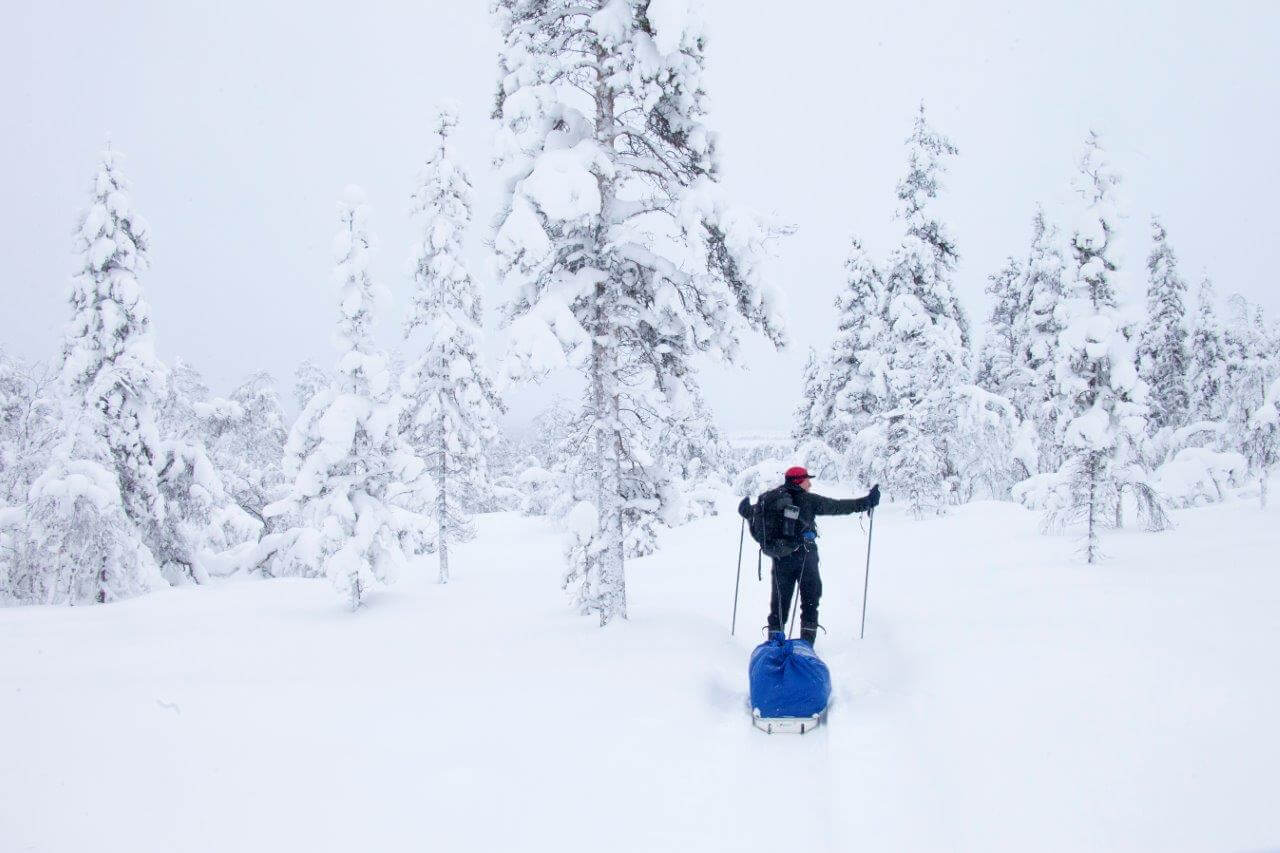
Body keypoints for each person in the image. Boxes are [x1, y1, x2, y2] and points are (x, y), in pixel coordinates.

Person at [738, 466, 879, 646]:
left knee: (779, 604)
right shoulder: (808, 500)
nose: (810, 483)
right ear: (798, 481)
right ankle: (805, 646)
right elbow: (839, 506)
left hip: (781, 560)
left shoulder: (771, 500)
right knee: (810, 600)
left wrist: (745, 509)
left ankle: (774, 646)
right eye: (807, 480)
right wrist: (867, 502)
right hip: (806, 557)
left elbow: (750, 512)